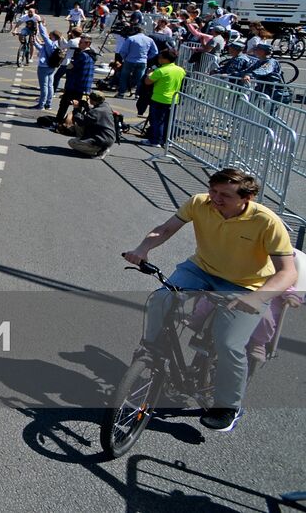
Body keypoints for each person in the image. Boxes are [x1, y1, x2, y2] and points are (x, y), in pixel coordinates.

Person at [122, 168, 297, 432]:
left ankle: (228, 406)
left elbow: (287, 272)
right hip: (201, 270)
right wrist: (142, 249)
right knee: (161, 299)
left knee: (229, 343)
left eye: (225, 195)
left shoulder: (267, 222)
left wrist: (258, 297)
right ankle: (150, 351)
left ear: (247, 197)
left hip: (245, 285)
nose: (215, 198)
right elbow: (166, 228)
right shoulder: (199, 203)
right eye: (213, 190)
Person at [143, 48, 185, 146]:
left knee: (157, 121)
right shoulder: (180, 70)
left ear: (165, 59)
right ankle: (167, 141)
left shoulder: (160, 71)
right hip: (174, 99)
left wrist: (149, 74)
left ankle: (155, 140)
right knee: (169, 121)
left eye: (160, 57)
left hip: (159, 98)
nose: (159, 59)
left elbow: (147, 81)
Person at [56, 35, 97, 129]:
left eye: (81, 42)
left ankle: (59, 122)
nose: (78, 44)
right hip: (84, 85)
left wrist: (70, 66)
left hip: (75, 84)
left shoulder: (82, 55)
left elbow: (70, 67)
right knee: (78, 106)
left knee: (64, 104)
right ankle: (76, 125)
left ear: (88, 44)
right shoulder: (92, 54)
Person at [67, 92, 116, 156]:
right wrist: (87, 107)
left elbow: (80, 121)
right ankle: (86, 143)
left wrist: (76, 108)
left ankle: (97, 151)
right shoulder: (106, 106)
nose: (89, 100)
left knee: (71, 142)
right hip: (108, 137)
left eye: (90, 99)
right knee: (78, 126)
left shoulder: (95, 111)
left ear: (93, 100)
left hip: (101, 139)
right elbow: (94, 115)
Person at [117, 26, 157, 99]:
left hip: (129, 60)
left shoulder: (131, 39)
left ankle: (121, 93)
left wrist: (125, 58)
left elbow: (123, 51)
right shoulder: (149, 40)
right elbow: (155, 52)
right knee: (140, 78)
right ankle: (137, 94)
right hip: (142, 61)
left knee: (124, 76)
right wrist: (146, 57)